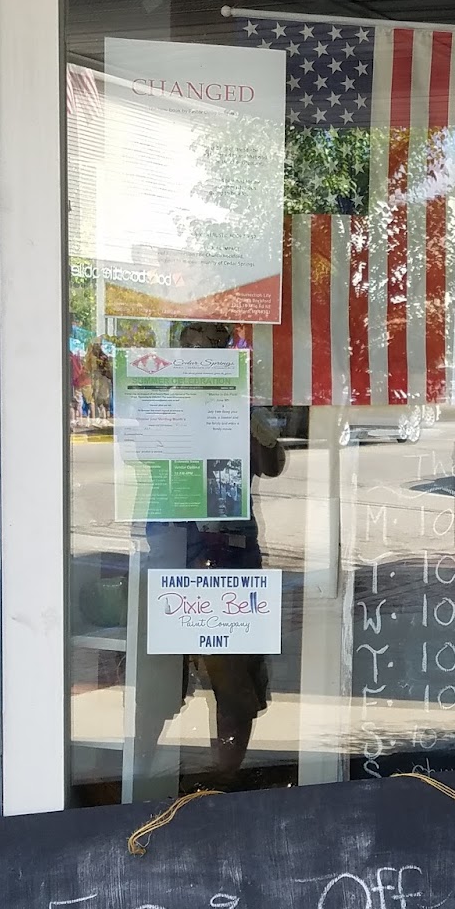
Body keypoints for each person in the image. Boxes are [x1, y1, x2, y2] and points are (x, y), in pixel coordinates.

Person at [174, 321, 287, 782]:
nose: (203, 361)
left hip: (231, 549)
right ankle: (147, 770)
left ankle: (224, 777)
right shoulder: (168, 404)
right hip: (176, 545)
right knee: (162, 670)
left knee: (234, 672)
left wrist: (262, 434)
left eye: (213, 352)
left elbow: (272, 466)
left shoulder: (238, 408)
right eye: (193, 352)